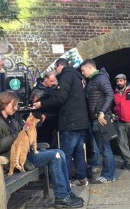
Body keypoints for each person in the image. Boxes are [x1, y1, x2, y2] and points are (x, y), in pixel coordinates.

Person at [0, 91, 83, 208]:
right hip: (11, 161)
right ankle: (61, 197)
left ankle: (66, 192)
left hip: (25, 155)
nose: (16, 108)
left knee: (59, 153)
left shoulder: (11, 120)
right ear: (4, 104)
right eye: (13, 105)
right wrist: (18, 135)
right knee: (55, 155)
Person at [33, 58, 90, 187]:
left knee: (67, 152)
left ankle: (65, 181)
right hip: (81, 121)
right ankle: (82, 178)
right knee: (79, 151)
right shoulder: (77, 77)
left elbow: (60, 97)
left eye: (56, 69)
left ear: (59, 66)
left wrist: (42, 103)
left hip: (70, 121)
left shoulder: (66, 76)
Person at [80, 59, 117, 184]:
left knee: (105, 149)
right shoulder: (92, 80)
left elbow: (110, 95)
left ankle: (108, 176)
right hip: (95, 119)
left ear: (89, 68)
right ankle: (108, 174)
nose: (82, 73)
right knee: (103, 149)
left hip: (101, 119)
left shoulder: (101, 78)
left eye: (83, 70)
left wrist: (102, 112)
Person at [29, 71, 58, 147]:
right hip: (40, 121)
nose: (53, 83)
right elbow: (31, 105)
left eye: (54, 81)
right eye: (51, 81)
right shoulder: (36, 90)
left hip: (52, 120)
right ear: (45, 79)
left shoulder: (55, 90)